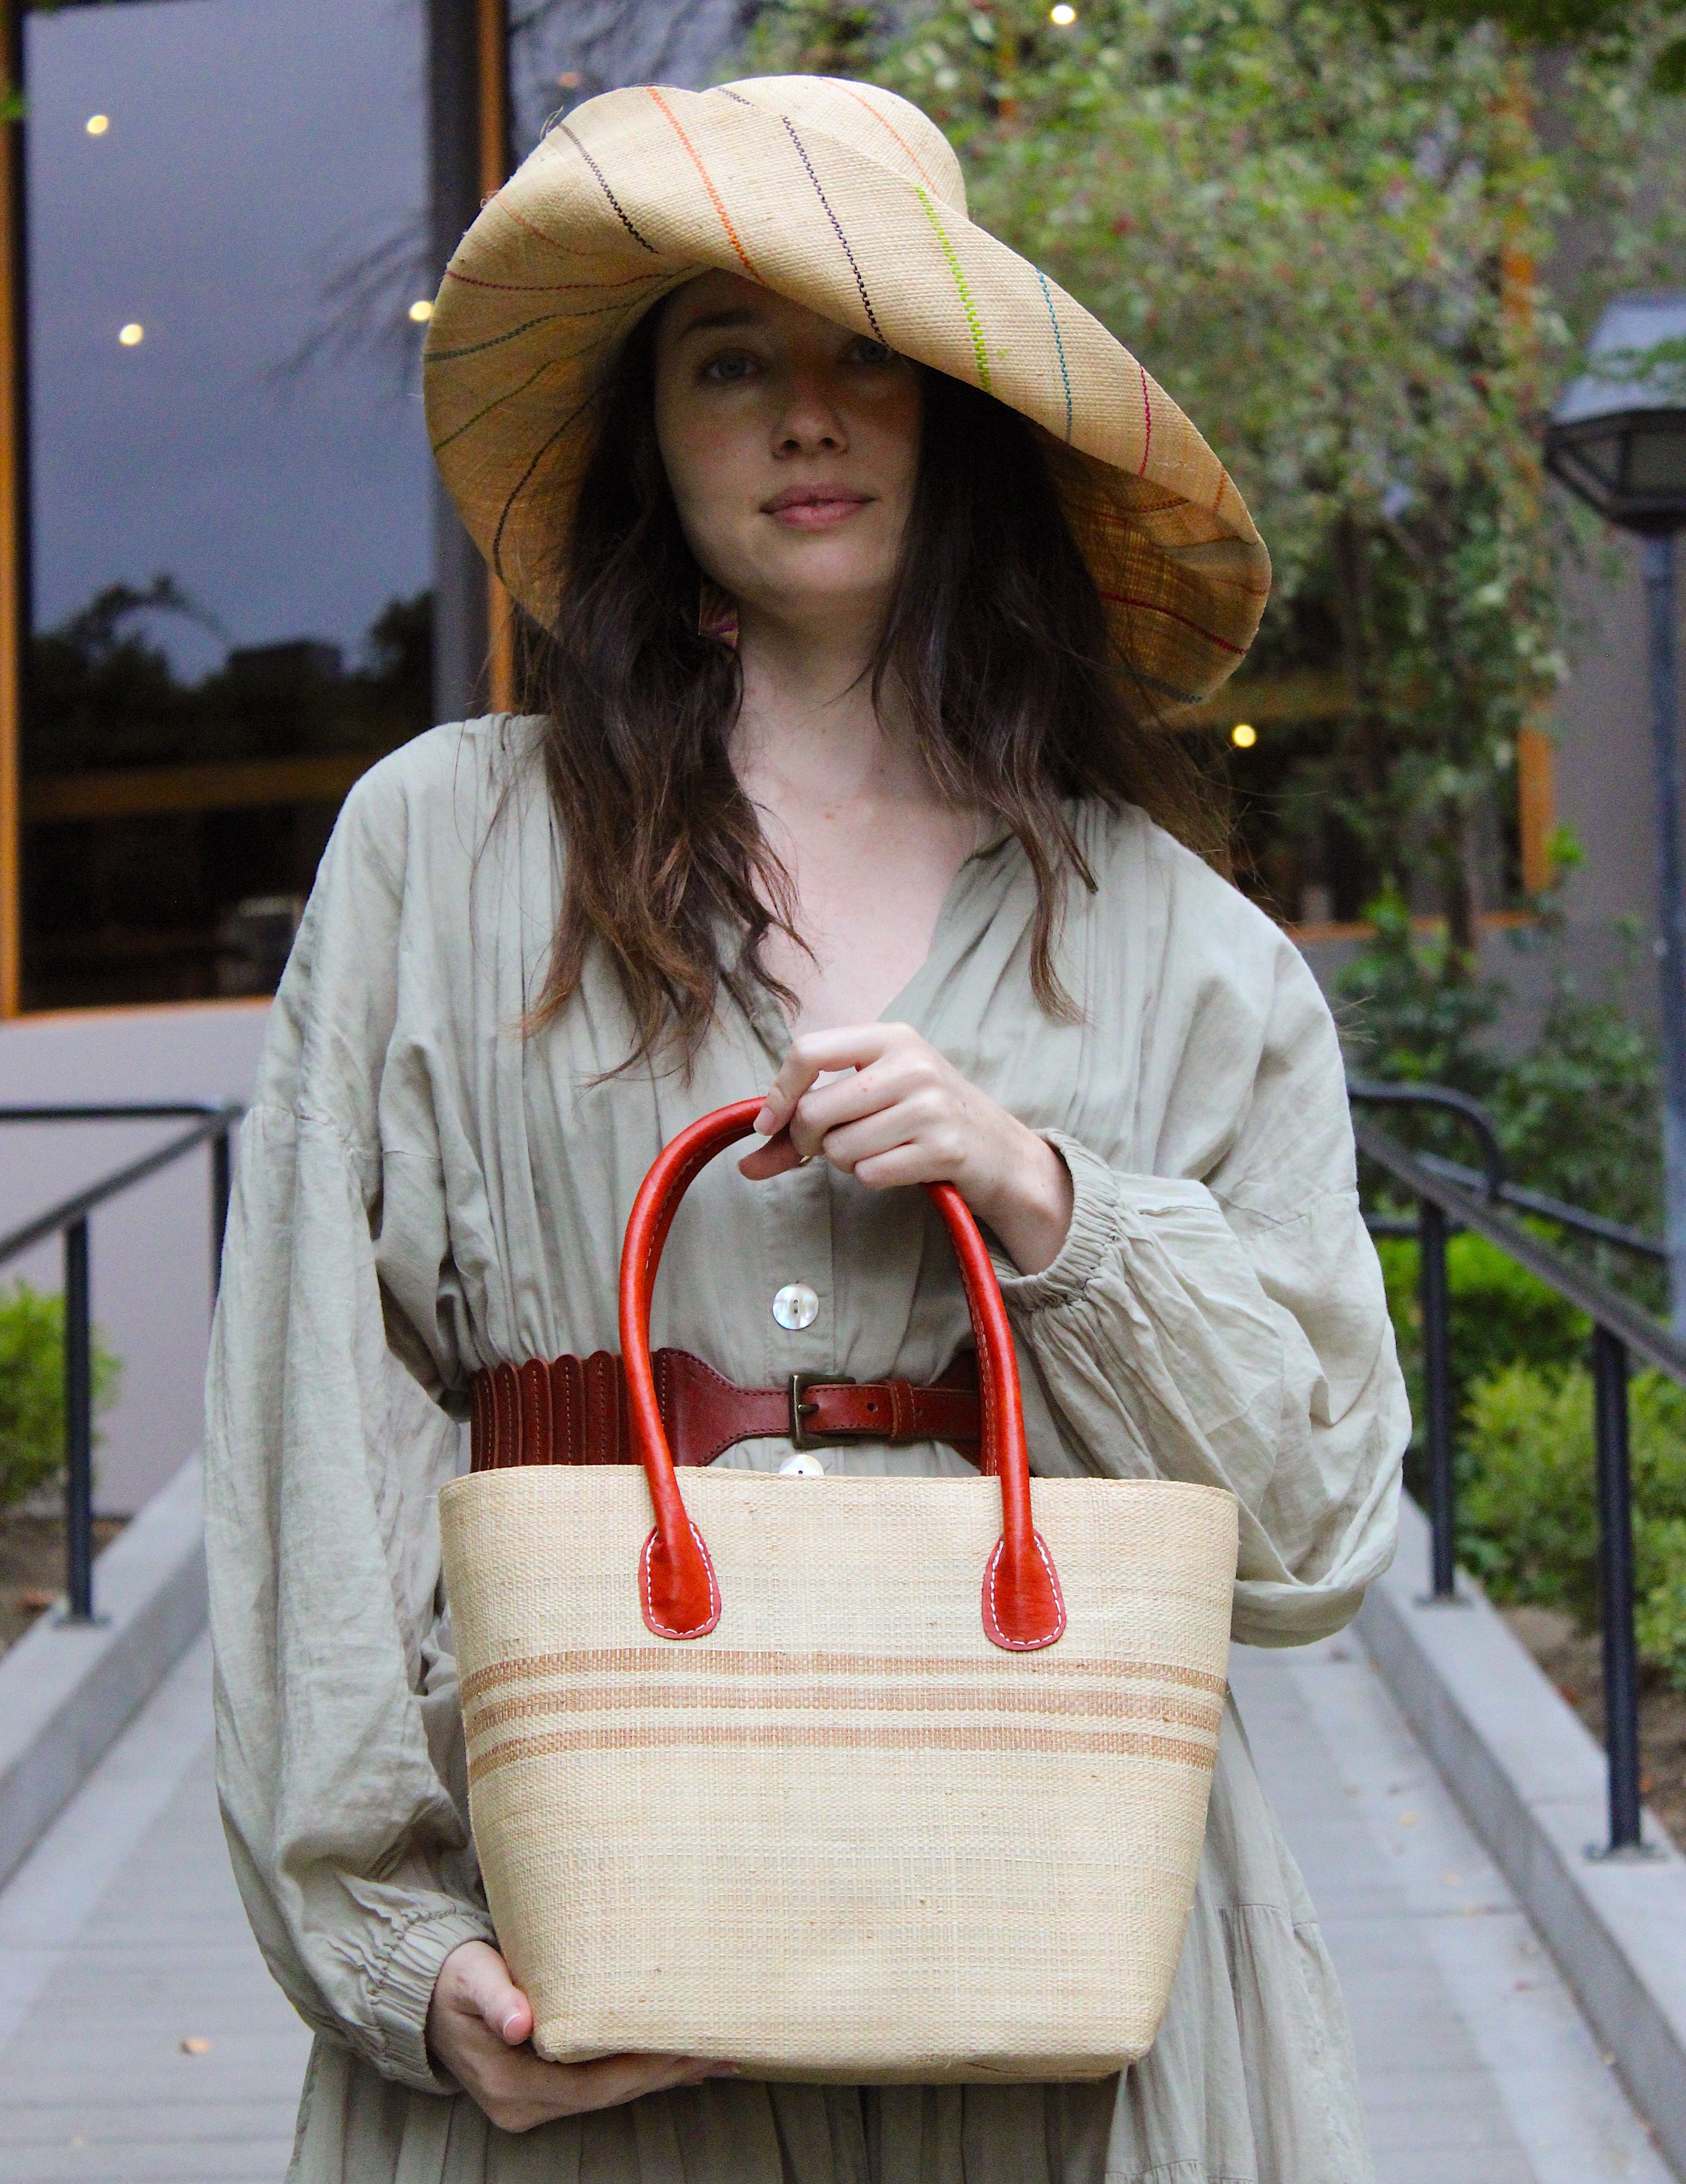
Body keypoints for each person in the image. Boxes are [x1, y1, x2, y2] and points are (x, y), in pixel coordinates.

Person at [205, 73, 1407, 2184]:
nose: (805, 415)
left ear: (968, 418)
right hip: (582, 1974)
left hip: (1074, 1994)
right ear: (646, 437)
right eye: (728, 360)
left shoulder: (1185, 949)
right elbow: (320, 1417)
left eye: (874, 354)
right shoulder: (442, 851)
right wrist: (394, 1945)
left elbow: (1310, 1532)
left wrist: (1050, 1203)